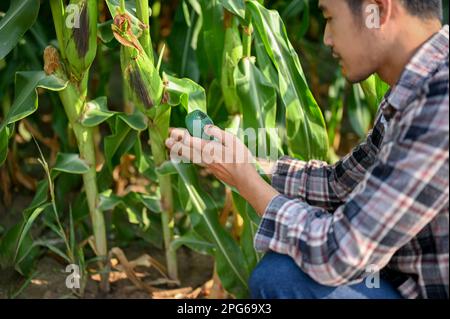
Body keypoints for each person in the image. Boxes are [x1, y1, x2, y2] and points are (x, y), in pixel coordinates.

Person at [165, 0, 449, 299]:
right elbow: (339, 184)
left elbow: (339, 252)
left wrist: (246, 182)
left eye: (330, 18)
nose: (326, 38)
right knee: (281, 273)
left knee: (280, 279)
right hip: (407, 279)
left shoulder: (439, 106)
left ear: (376, 11)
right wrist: (247, 162)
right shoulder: (416, 88)